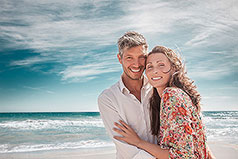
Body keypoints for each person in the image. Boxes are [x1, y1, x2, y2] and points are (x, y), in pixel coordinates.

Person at [113, 46, 215, 159]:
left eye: (161, 65)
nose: (155, 71)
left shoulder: (171, 95)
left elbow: (181, 156)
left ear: (173, 68)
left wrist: (138, 142)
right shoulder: (175, 95)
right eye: (150, 67)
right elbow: (204, 147)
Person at [98, 31, 157, 159]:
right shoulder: (108, 98)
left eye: (141, 57)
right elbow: (126, 148)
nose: (136, 64)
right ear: (120, 58)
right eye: (129, 57)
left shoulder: (157, 89)